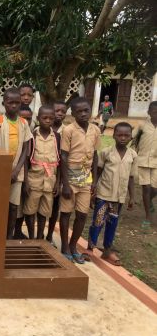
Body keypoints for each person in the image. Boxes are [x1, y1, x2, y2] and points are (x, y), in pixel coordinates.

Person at [88, 122, 136, 266]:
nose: (122, 138)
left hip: (119, 197)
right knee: (98, 221)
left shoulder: (133, 155)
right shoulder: (106, 152)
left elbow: (131, 177)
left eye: (126, 135)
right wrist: (94, 187)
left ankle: (107, 250)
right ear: (113, 135)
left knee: (112, 223)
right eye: (119, 135)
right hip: (104, 193)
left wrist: (132, 197)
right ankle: (90, 248)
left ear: (131, 137)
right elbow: (99, 171)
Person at [59, 97, 100, 264]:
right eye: (79, 111)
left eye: (86, 111)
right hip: (70, 177)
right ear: (73, 113)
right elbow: (63, 156)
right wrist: (66, 184)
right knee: (66, 213)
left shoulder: (95, 130)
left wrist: (95, 180)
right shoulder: (68, 130)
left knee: (82, 215)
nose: (83, 114)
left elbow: (95, 156)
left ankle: (73, 245)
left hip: (86, 179)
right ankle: (64, 246)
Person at [0, 88, 32, 239]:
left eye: (17, 103)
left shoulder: (24, 123)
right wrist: (3, 170)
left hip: (17, 173)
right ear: (4, 103)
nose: (13, 106)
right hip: (1, 172)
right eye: (10, 102)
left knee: (13, 206)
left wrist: (16, 170)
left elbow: (26, 149)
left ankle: (9, 237)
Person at [23, 106, 60, 240]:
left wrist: (58, 183)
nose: (48, 120)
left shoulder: (56, 137)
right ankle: (32, 237)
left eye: (51, 118)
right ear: (38, 118)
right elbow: (26, 160)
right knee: (30, 210)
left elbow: (59, 162)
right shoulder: (32, 135)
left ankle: (40, 237)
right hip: (34, 180)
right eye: (44, 118)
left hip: (50, 181)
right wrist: (26, 182)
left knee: (44, 211)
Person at [46, 100, 68, 245]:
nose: (59, 114)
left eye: (63, 111)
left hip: (57, 175)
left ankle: (49, 235)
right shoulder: (42, 128)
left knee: (55, 207)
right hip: (41, 174)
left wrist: (60, 181)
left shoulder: (67, 131)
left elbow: (63, 159)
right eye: (56, 111)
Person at [133, 101, 157, 230]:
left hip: (156, 162)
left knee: (154, 189)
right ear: (149, 112)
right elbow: (132, 138)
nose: (156, 114)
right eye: (154, 112)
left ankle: (148, 201)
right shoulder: (142, 125)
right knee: (146, 188)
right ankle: (147, 216)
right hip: (142, 160)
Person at [14, 105, 34, 238]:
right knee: (14, 205)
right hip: (16, 173)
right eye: (23, 118)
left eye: (29, 118)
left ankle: (18, 231)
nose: (26, 121)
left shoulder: (34, 132)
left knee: (22, 206)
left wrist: (27, 180)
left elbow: (28, 158)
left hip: (29, 175)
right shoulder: (14, 131)